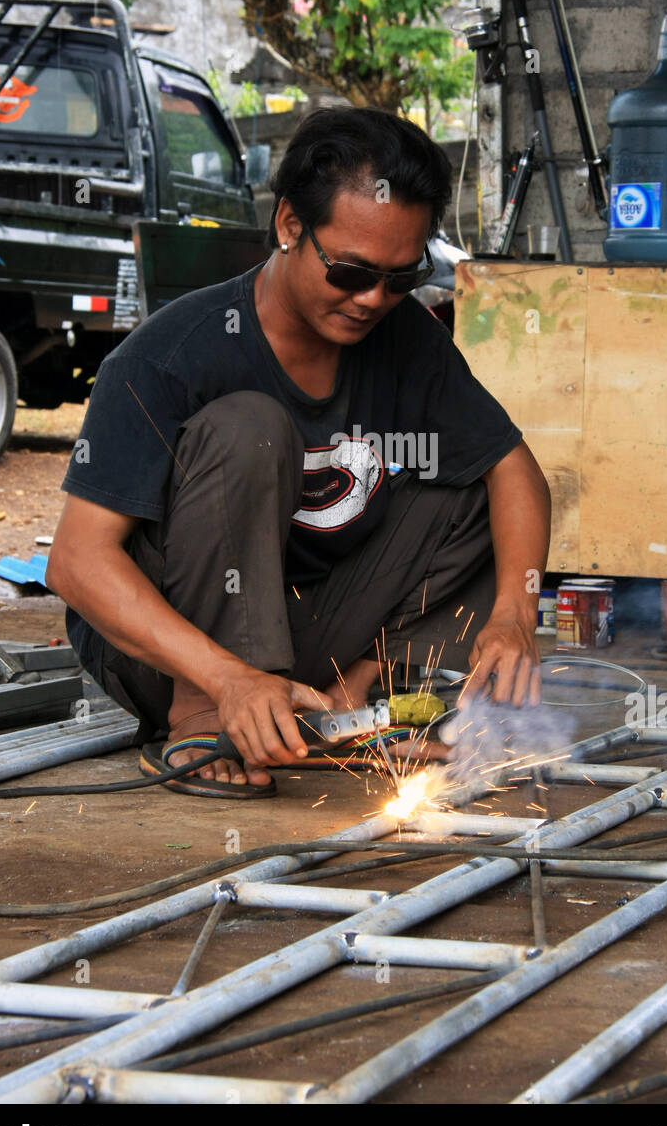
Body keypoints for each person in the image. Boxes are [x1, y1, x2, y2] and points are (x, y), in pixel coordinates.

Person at [47, 107, 551, 798]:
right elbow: (77, 562)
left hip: (303, 630)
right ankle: (201, 718)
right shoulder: (169, 356)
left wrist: (514, 617)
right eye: (350, 271)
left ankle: (349, 699)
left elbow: (515, 470)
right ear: (289, 226)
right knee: (250, 427)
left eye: (401, 278)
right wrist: (225, 678)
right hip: (176, 651)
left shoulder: (404, 336)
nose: (374, 298)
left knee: (473, 485)